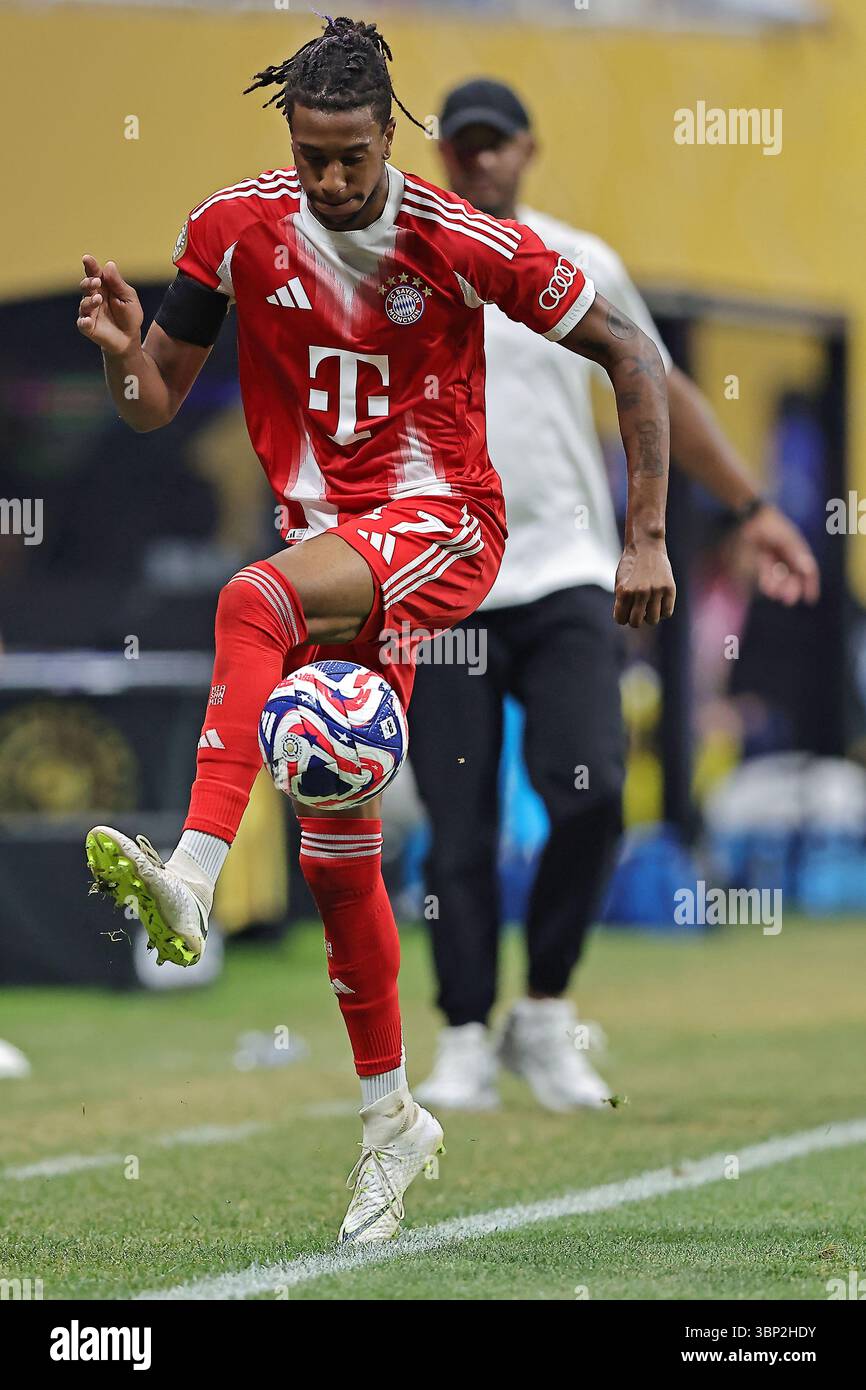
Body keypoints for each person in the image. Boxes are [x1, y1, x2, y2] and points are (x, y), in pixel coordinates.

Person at [76, 19, 675, 1243]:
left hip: (444, 523)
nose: (334, 181)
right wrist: (120, 358)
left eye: (353, 156)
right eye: (312, 157)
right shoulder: (230, 231)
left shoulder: (458, 241)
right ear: (288, 139)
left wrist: (647, 533)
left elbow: (628, 353)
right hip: (330, 545)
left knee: (251, 598)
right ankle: (390, 1120)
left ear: (390, 133)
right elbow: (155, 403)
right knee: (335, 844)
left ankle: (188, 876)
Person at [411, 79, 820, 1114]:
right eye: (462, 146)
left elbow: (656, 380)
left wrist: (748, 507)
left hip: (562, 573)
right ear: (442, 156)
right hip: (441, 580)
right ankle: (462, 1034)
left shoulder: (575, 260)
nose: (480, 161)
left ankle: (540, 1013)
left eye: (495, 144)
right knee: (454, 830)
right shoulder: (401, 261)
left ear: (527, 149)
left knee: (590, 796)